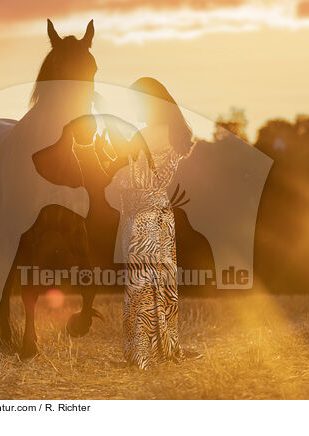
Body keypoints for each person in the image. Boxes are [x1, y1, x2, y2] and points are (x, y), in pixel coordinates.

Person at [97, 77, 201, 369]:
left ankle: (143, 354)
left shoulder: (154, 132)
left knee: (143, 286)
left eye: (136, 102)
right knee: (158, 285)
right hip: (150, 213)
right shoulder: (165, 131)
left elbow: (120, 160)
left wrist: (104, 116)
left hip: (145, 216)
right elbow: (123, 164)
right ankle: (157, 350)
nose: (133, 108)